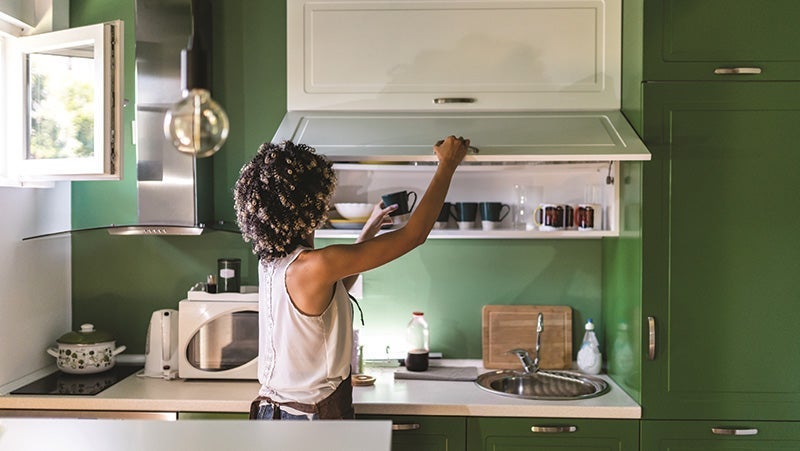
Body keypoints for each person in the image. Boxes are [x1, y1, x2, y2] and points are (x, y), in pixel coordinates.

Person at [234, 135, 469, 420]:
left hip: (273, 413)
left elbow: (331, 295)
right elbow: (413, 235)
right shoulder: (316, 264)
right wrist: (447, 164)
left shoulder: (273, 262)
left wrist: (366, 234)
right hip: (311, 418)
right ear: (313, 204)